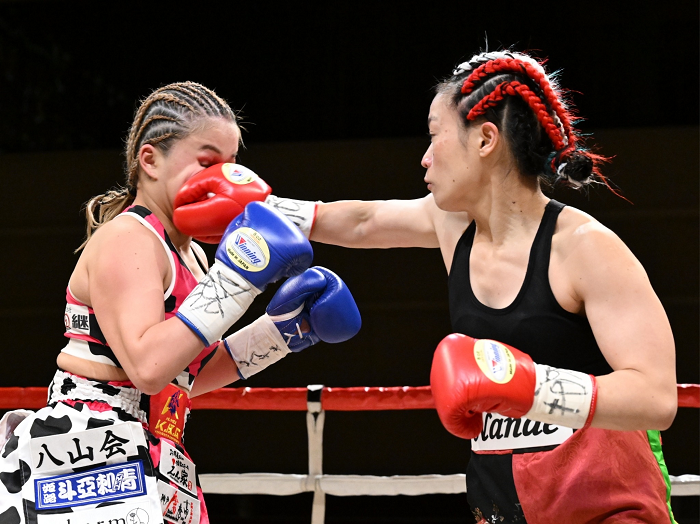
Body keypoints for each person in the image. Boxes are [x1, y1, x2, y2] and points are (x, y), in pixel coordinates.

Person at [173, 50, 679, 523]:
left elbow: (656, 397)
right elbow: (364, 222)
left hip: (607, 504)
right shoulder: (452, 225)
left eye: (435, 135)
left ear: (484, 140)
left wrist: (529, 388)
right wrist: (256, 207)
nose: (424, 158)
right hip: (503, 502)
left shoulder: (586, 248)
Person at [0, 81, 361, 524]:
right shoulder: (128, 238)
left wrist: (280, 334)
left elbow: (185, 373)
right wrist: (237, 278)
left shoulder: (192, 255)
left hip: (159, 448)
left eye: (230, 164)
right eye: (207, 162)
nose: (222, 178)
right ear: (150, 160)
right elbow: (148, 367)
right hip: (91, 446)